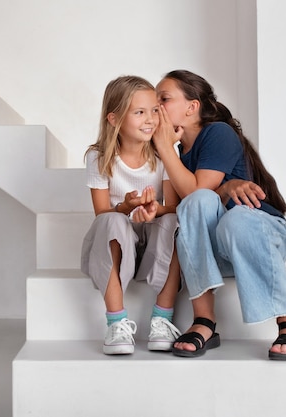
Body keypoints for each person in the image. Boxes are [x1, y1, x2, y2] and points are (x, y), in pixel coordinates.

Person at [152, 69, 286, 360]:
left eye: (165, 98)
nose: (157, 105)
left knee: (228, 215)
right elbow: (184, 209)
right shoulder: (176, 153)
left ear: (192, 106)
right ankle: (204, 320)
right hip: (219, 252)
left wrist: (164, 148)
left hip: (258, 235)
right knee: (194, 206)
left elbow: (198, 189)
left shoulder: (217, 133)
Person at [81, 75, 182, 355]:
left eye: (154, 111)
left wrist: (153, 211)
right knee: (111, 219)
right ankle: (116, 323)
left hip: (150, 238)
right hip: (116, 237)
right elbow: (102, 212)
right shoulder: (99, 157)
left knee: (175, 221)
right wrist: (126, 207)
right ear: (114, 119)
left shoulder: (164, 154)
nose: (150, 119)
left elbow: (170, 206)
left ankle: (162, 318)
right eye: (139, 112)